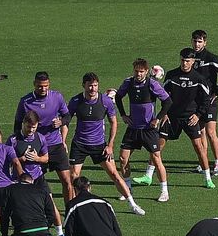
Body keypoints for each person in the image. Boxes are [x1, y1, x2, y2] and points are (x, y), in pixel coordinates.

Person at [65, 73, 144, 216]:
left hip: (99, 146)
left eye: (95, 85)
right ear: (84, 85)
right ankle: (74, 208)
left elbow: (114, 122)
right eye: (90, 85)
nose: (92, 88)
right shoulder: (76, 101)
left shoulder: (105, 101)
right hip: (79, 145)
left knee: (114, 174)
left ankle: (132, 204)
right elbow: (66, 122)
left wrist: (110, 145)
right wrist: (63, 141)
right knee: (73, 177)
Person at [14, 71, 75, 202]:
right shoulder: (25, 101)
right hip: (36, 147)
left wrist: (61, 122)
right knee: (30, 183)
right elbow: (17, 125)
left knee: (67, 181)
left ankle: (70, 212)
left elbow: (67, 116)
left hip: (55, 145)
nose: (43, 89)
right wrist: (20, 145)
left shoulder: (57, 97)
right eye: (40, 86)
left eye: (46, 86)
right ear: (34, 84)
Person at [116, 59, 171, 204]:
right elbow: (118, 96)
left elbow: (167, 101)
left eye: (141, 71)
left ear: (147, 72)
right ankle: (127, 189)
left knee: (156, 159)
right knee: (123, 158)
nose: (138, 74)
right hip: (133, 128)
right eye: (136, 71)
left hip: (148, 129)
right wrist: (123, 114)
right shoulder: (128, 83)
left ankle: (164, 191)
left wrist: (158, 118)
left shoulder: (152, 84)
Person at [160, 49, 217, 189]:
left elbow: (206, 100)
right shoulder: (171, 75)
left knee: (199, 147)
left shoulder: (199, 79)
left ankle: (207, 178)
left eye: (187, 61)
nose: (184, 63)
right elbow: (164, 95)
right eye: (182, 60)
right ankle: (149, 175)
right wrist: (164, 113)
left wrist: (198, 115)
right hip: (172, 117)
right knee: (157, 145)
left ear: (193, 62)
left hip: (190, 117)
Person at [190, 30, 218, 175]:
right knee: (200, 132)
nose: (197, 44)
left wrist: (216, 92)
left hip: (209, 100)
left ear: (205, 42)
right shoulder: (190, 58)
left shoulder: (211, 58)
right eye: (195, 41)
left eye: (200, 41)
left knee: (210, 131)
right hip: (195, 101)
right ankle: (204, 163)